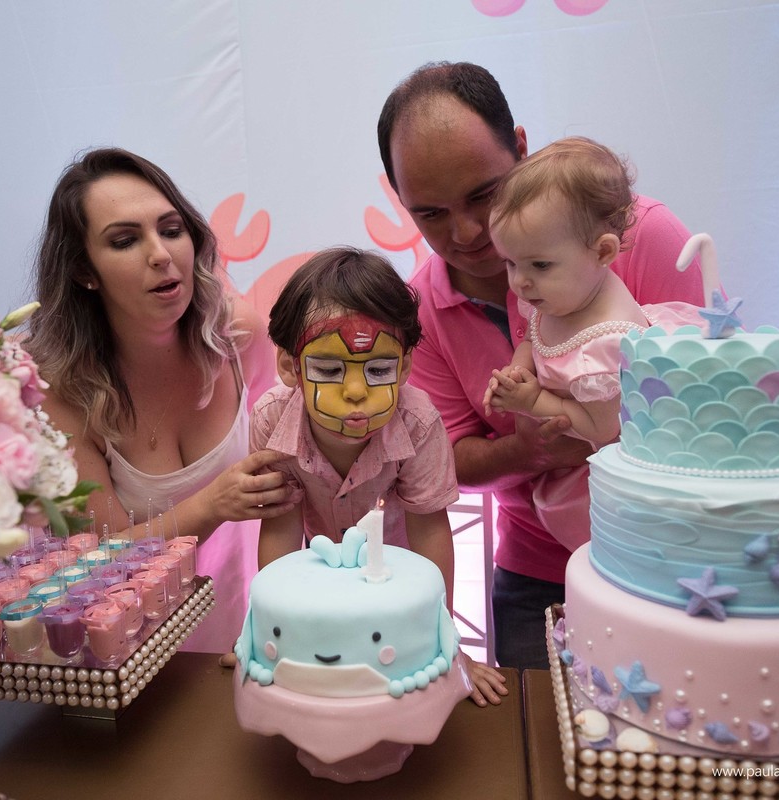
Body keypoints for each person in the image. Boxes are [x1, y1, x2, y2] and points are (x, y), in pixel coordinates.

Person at [377, 61, 706, 670]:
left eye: (483, 194)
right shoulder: (417, 312)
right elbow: (449, 460)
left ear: (521, 149)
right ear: (399, 199)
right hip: (537, 574)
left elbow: (705, 401)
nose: (469, 230)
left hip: (675, 566)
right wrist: (537, 445)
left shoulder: (641, 233)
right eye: (431, 213)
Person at [26, 147, 295, 655]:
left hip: (251, 632)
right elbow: (100, 563)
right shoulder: (59, 389)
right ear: (85, 270)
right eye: (125, 240)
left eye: (171, 230)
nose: (160, 254)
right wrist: (213, 504)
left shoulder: (241, 336)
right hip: (128, 652)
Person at [250, 246, 509, 706]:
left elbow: (430, 532)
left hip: (400, 584)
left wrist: (443, 643)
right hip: (320, 575)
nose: (355, 393)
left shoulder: (419, 424)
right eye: (328, 369)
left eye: (379, 369)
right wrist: (271, 636)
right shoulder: (271, 421)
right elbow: (281, 528)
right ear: (290, 367)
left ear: (405, 367)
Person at [482, 137, 703, 551]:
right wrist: (519, 368)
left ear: (603, 251)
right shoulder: (563, 291)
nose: (519, 281)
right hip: (577, 468)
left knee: (617, 570)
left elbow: (601, 427)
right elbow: (537, 336)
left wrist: (532, 403)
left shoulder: (605, 346)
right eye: (510, 263)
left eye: (539, 265)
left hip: (619, 489)